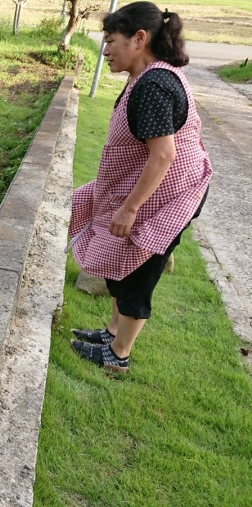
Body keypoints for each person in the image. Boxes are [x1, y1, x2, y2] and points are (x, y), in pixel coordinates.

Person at [68, 1, 212, 372]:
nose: (106, 50)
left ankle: (119, 355)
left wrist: (129, 208)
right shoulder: (145, 78)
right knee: (120, 260)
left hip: (171, 198)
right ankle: (112, 332)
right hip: (158, 190)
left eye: (111, 40)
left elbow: (163, 156)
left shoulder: (154, 85)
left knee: (137, 273)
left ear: (139, 38)